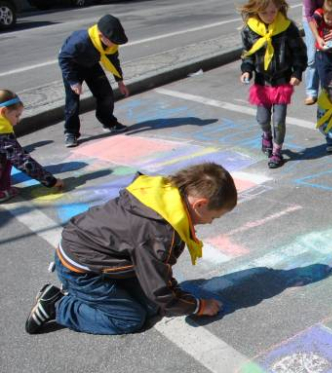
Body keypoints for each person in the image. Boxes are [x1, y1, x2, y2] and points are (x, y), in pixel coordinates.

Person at [24, 163, 237, 336]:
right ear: (199, 204)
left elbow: (157, 275)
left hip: (98, 254)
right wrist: (198, 306)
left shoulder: (163, 194)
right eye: (214, 216)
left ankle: (88, 294)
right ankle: (58, 305)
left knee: (152, 307)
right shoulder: (159, 232)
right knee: (129, 318)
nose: (211, 222)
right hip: (83, 271)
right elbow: (159, 289)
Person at [240, 0, 307, 169]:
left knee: (279, 120)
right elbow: (247, 54)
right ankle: (266, 135)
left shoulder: (287, 27)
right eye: (265, 13)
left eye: (273, 12)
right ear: (256, 11)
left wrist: (297, 72)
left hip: (282, 82)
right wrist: (247, 69)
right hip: (262, 82)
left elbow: (299, 53)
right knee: (262, 119)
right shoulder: (250, 29)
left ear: (278, 8)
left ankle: (277, 151)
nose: (270, 16)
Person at [58, 14, 130, 148]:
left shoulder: (111, 45)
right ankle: (71, 132)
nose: (115, 44)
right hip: (73, 66)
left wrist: (120, 81)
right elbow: (63, 58)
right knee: (72, 101)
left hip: (91, 65)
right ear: (101, 35)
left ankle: (108, 122)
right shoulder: (80, 41)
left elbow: (114, 61)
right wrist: (73, 81)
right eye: (113, 41)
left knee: (106, 94)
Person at [0, 90, 65, 202]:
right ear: (4, 111)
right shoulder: (2, 135)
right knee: (11, 157)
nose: (18, 120)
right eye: (17, 115)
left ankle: (3, 187)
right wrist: (51, 181)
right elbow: (23, 161)